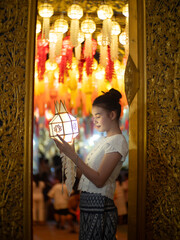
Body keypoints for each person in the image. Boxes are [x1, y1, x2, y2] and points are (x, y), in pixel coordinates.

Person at [54, 88, 129, 240]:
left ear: (112, 115)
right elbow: (84, 175)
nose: (94, 120)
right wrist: (70, 154)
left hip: (99, 205)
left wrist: (73, 156)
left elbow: (99, 180)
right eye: (93, 116)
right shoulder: (103, 141)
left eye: (98, 116)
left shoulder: (118, 141)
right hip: (88, 205)